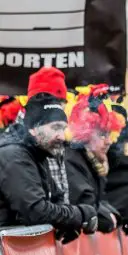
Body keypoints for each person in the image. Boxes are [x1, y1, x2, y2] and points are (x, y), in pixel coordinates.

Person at [0, 78, 98, 237]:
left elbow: (56, 199)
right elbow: (35, 211)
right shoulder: (13, 154)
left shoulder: (39, 151)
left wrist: (66, 222)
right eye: (55, 128)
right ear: (33, 128)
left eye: (63, 128)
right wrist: (79, 214)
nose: (62, 136)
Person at [64, 91, 124, 233]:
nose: (109, 141)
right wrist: (107, 219)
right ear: (86, 132)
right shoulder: (72, 159)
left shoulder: (93, 161)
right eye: (103, 134)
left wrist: (113, 216)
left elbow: (99, 201)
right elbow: (84, 202)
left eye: (110, 134)